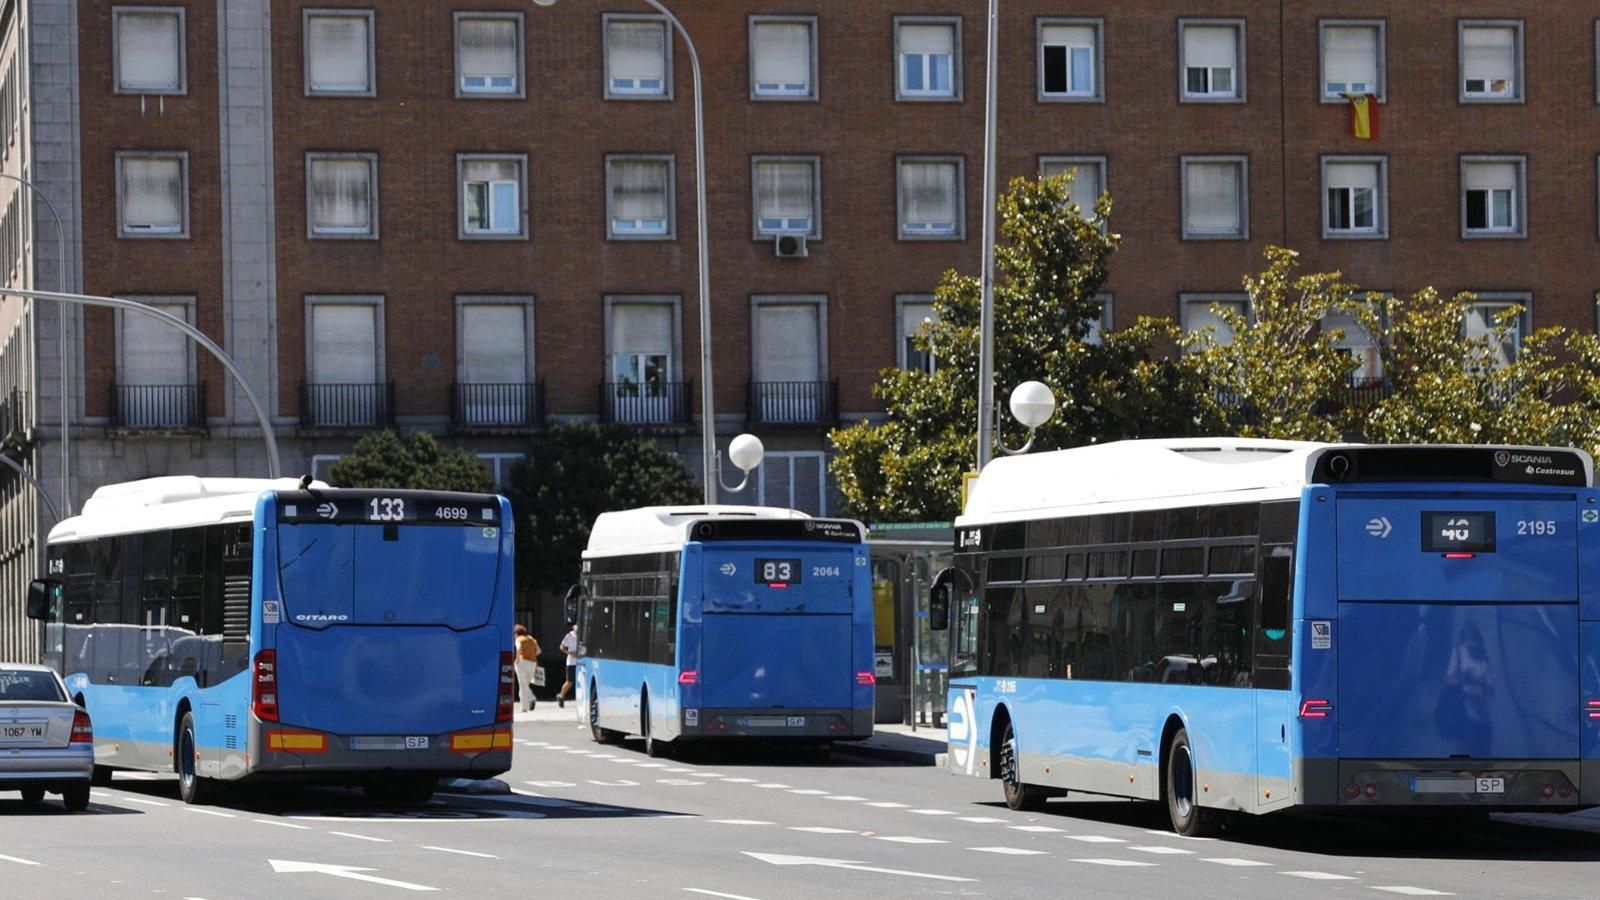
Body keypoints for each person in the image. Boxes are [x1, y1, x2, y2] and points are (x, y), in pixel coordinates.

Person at [512, 624, 541, 712]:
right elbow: (539, 651)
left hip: (522, 663)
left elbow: (519, 648)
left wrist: (516, 659)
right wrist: (532, 654)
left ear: (516, 633)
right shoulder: (531, 639)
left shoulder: (518, 639)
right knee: (524, 685)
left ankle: (531, 699)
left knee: (523, 685)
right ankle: (524, 706)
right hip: (533, 663)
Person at [557, 621, 579, 708]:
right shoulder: (569, 636)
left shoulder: (584, 635)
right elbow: (562, 647)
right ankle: (561, 696)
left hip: (582, 661)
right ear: (573, 627)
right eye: (576, 625)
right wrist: (569, 653)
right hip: (571, 662)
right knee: (569, 681)